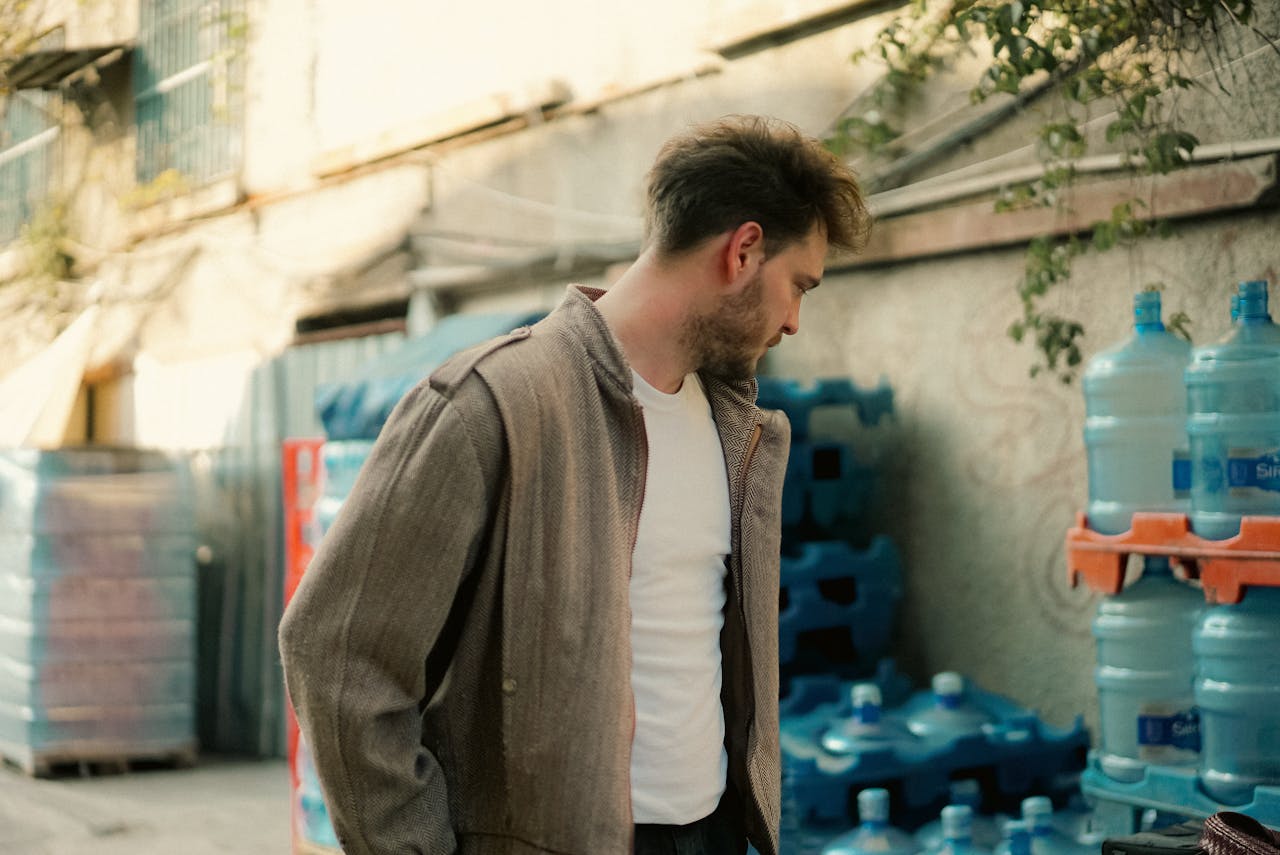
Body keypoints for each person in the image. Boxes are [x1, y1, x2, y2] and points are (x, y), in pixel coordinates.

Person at [278, 114, 870, 855]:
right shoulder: (489, 403)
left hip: (710, 832)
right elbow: (337, 651)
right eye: (799, 285)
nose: (794, 321)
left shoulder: (734, 428)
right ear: (743, 250)